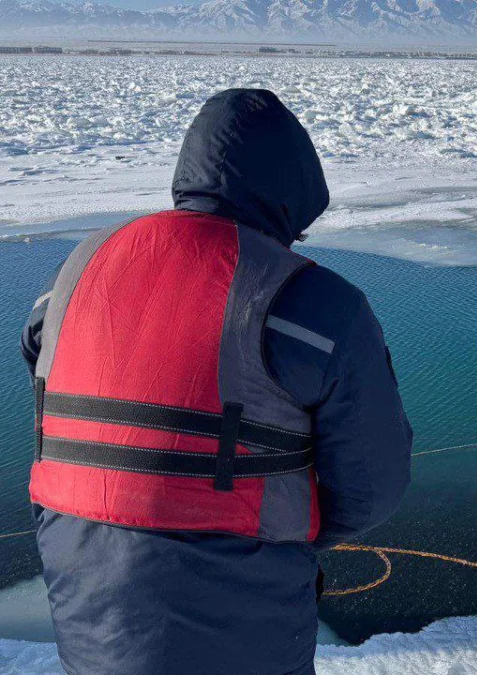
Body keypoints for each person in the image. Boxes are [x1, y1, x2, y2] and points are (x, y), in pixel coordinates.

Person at [20, 89, 413, 675]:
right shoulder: (317, 304)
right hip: (242, 595)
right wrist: (281, 527)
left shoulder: (83, 264)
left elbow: (37, 351)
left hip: (82, 573)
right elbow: (372, 485)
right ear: (290, 194)